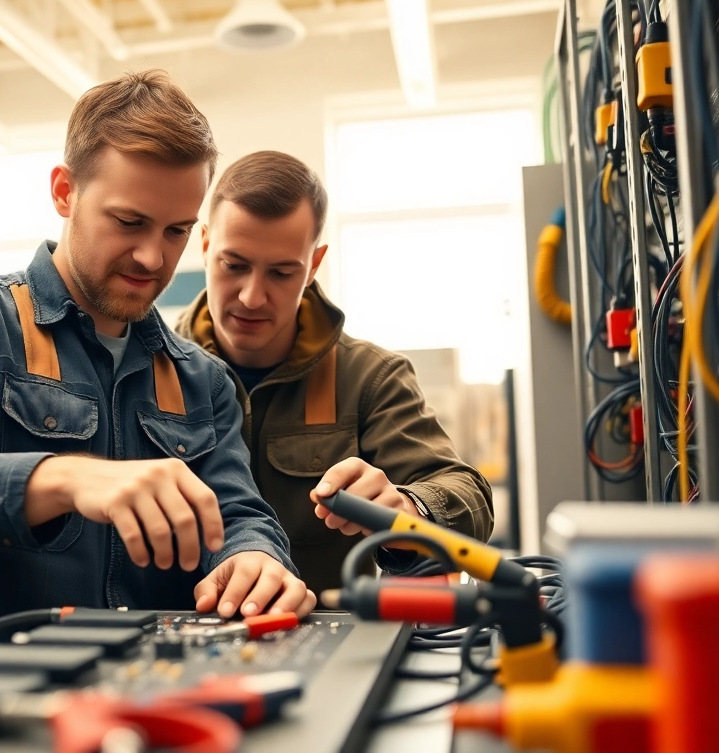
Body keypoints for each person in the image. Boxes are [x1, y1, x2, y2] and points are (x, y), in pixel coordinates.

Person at [0, 72, 312, 646]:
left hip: (141, 705)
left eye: (176, 231)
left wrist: (255, 557)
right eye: (129, 222)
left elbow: (238, 513)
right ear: (65, 191)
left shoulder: (202, 380)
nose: (151, 256)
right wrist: (59, 477)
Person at [175, 151, 493, 594]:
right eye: (235, 266)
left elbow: (469, 495)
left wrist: (407, 506)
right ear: (206, 245)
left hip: (331, 635)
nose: (251, 296)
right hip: (181, 638)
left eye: (282, 272)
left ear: (314, 265)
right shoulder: (148, 368)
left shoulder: (369, 377)